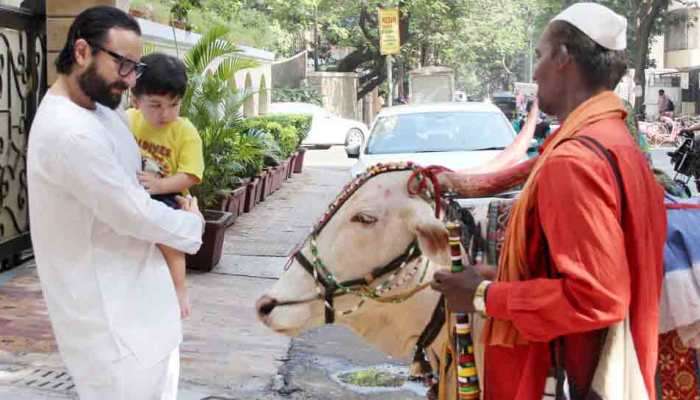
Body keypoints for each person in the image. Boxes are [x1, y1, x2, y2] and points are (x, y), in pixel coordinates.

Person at [433, 3, 666, 399]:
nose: (535, 72)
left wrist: (484, 296)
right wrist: (497, 276)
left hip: (573, 377)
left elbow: (597, 297)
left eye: (540, 56)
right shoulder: (617, 140)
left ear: (563, 58)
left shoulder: (574, 161)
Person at [27, 6, 204, 399]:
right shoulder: (69, 133)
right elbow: (133, 213)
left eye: (135, 68)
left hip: (143, 310)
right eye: (122, 65)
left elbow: (138, 184)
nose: (128, 80)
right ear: (82, 52)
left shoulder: (101, 112)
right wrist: (194, 225)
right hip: (112, 327)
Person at [127, 52, 204, 319]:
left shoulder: (185, 131)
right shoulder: (127, 121)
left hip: (168, 196)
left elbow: (191, 174)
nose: (166, 114)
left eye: (173, 105)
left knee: (171, 247)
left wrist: (160, 187)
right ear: (136, 100)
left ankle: (180, 289)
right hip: (133, 193)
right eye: (156, 105)